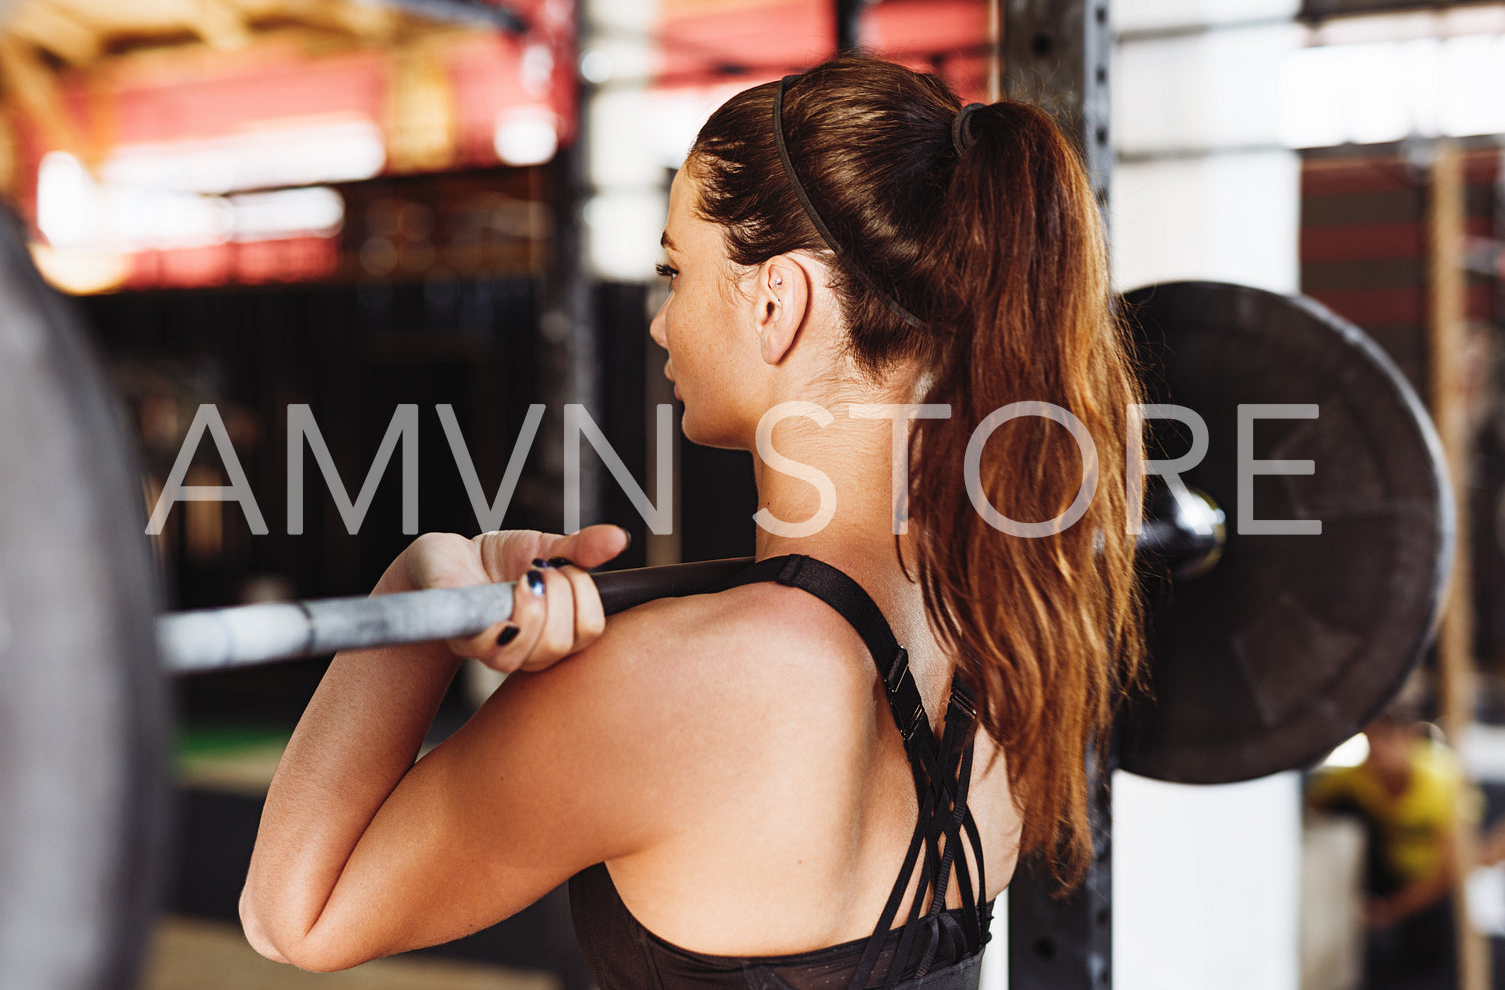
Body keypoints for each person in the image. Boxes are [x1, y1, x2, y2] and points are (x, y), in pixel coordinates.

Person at [239, 55, 1146, 988]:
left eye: (676, 270)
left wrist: (421, 579)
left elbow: (295, 914)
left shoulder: (673, 681)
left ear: (774, 299)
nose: (660, 324)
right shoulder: (1021, 636)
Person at [1307, 703, 1472, 990]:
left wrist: (1390, 912)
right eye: (1371, 744)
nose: (1377, 754)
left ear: (1407, 738)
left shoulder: (1441, 781)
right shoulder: (1357, 778)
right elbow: (1314, 805)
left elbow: (1448, 871)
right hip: (1389, 872)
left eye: (1385, 740)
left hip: (1430, 889)